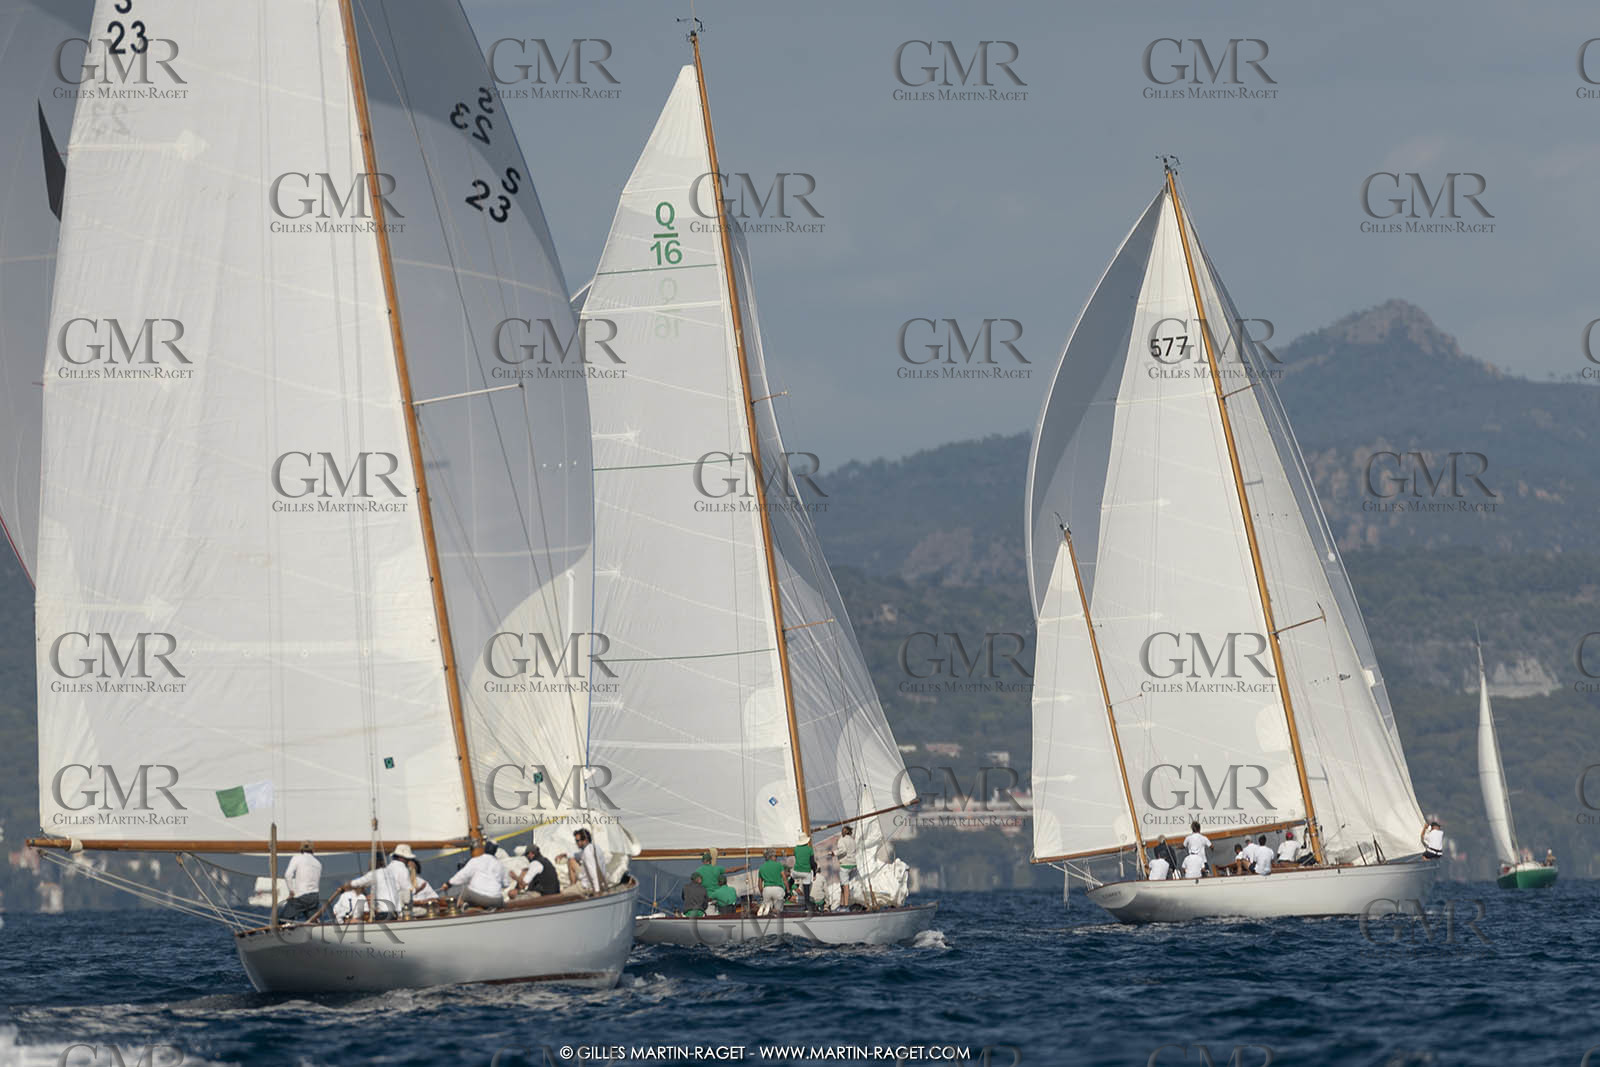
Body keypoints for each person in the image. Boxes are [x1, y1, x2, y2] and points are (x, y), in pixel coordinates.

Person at [440, 840, 514, 910]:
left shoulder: (476, 860)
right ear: (495, 851)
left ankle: (463, 906)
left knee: (465, 892)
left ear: (485, 848)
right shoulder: (500, 865)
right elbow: (506, 884)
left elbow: (462, 876)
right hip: (496, 900)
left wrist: (448, 884)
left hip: (477, 898)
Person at [336, 852, 401, 919]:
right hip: (395, 912)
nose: (369, 864)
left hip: (385, 913)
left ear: (375, 862)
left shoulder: (375, 874)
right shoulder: (390, 873)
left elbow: (358, 883)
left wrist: (345, 886)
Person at [280, 841, 321, 921]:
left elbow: (288, 875)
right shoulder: (318, 863)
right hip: (314, 897)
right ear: (313, 850)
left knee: (283, 920)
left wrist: (291, 891)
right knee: (312, 921)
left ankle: (283, 931)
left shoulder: (297, 857)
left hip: (301, 896)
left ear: (301, 850)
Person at [562, 827, 609, 895]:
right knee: (571, 860)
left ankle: (573, 889)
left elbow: (593, 872)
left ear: (585, 840)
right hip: (599, 882)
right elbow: (576, 855)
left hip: (587, 886)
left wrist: (597, 891)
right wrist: (565, 854)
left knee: (564, 894)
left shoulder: (587, 853)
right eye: (576, 841)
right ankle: (573, 886)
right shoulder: (595, 847)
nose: (576, 843)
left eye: (578, 841)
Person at [757, 848, 788, 916]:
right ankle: (774, 911)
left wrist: (762, 893)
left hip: (767, 889)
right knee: (778, 910)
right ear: (771, 856)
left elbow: (759, 884)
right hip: (778, 889)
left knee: (768, 907)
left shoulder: (762, 867)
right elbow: (784, 878)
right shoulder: (779, 865)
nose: (776, 858)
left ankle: (768, 908)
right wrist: (788, 890)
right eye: (775, 856)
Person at [387, 844, 417, 912]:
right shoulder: (402, 869)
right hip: (399, 908)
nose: (409, 860)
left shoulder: (388, 868)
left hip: (388, 906)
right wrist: (416, 890)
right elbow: (408, 890)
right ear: (402, 858)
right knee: (423, 911)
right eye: (408, 859)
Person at [835, 826, 858, 909]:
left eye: (842, 831)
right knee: (842, 885)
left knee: (845, 885)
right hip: (853, 864)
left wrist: (834, 853)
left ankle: (845, 905)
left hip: (845, 865)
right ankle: (841, 903)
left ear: (844, 832)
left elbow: (843, 850)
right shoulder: (853, 840)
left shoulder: (842, 840)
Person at [791, 836, 816, 909]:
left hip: (797, 871)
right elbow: (812, 863)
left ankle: (787, 893)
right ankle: (807, 905)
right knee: (806, 890)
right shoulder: (809, 849)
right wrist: (814, 873)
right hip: (806, 872)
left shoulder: (796, 849)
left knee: (791, 879)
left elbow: (797, 858)